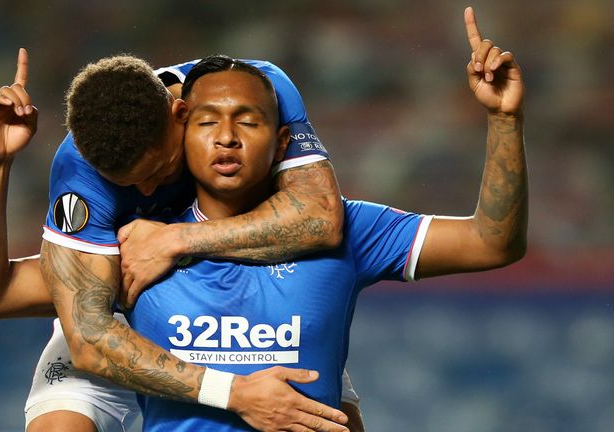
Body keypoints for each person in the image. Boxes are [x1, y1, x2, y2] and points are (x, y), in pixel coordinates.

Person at [124, 7, 526, 430]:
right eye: (207, 122)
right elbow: (68, 309)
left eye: (247, 121)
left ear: (282, 144)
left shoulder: (350, 230)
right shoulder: (139, 241)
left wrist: (504, 120)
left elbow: (493, 241)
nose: (227, 137)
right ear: (182, 134)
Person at [0, 45, 356, 432]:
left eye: (161, 171)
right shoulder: (81, 163)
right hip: (123, 318)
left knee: (325, 420)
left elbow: (321, 216)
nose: (147, 194)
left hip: (258, 309)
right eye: (128, 186)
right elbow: (0, 302)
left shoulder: (249, 91)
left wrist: (177, 239)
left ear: (181, 115)